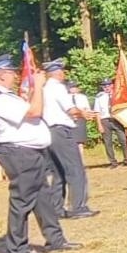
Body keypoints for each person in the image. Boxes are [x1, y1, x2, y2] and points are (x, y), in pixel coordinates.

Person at [0, 54, 78, 253]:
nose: (16, 76)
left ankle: (55, 239)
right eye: (12, 73)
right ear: (2, 75)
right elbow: (34, 112)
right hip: (18, 152)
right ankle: (17, 250)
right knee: (22, 200)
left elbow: (29, 109)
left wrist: (34, 91)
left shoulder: (5, 95)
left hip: (28, 151)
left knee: (42, 198)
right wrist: (40, 87)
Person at [40, 60, 96, 218]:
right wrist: (83, 113)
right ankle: (78, 206)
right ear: (58, 73)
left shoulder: (44, 89)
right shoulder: (58, 88)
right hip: (62, 131)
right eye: (63, 71)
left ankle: (56, 208)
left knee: (59, 171)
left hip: (50, 131)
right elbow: (70, 109)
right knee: (75, 169)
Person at [93, 79, 127, 167]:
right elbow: (97, 112)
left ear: (112, 85)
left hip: (117, 119)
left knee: (123, 140)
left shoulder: (118, 95)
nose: (107, 87)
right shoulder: (99, 97)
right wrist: (99, 125)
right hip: (105, 120)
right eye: (104, 86)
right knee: (108, 142)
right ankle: (113, 162)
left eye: (108, 85)